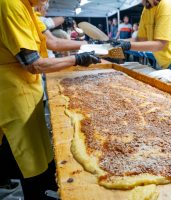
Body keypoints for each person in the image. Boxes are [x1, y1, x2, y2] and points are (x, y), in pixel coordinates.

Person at [0, 0, 99, 199]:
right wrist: (77, 59)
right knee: (27, 153)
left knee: (37, 149)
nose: (47, 2)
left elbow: (52, 42)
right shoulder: (9, 4)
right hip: (11, 91)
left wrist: (92, 45)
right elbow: (33, 64)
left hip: (26, 87)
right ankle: (35, 193)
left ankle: (42, 187)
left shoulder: (27, 8)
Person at [113, 0, 171, 73]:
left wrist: (128, 45)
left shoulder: (168, 4)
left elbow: (160, 44)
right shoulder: (147, 9)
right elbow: (141, 39)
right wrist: (118, 42)